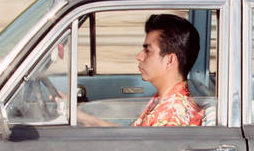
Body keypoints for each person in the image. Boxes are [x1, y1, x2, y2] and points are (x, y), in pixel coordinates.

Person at [76, 14, 204, 127]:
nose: (139, 56)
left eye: (148, 51)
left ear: (169, 61)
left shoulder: (171, 118)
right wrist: (83, 118)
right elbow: (132, 137)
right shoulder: (165, 101)